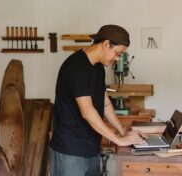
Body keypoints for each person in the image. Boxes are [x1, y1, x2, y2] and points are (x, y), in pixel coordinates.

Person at [50, 24, 144, 176]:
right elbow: (87, 111)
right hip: (71, 149)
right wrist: (117, 140)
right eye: (117, 53)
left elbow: (105, 102)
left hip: (91, 146)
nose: (118, 58)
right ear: (106, 44)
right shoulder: (76, 67)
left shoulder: (98, 67)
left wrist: (122, 131)